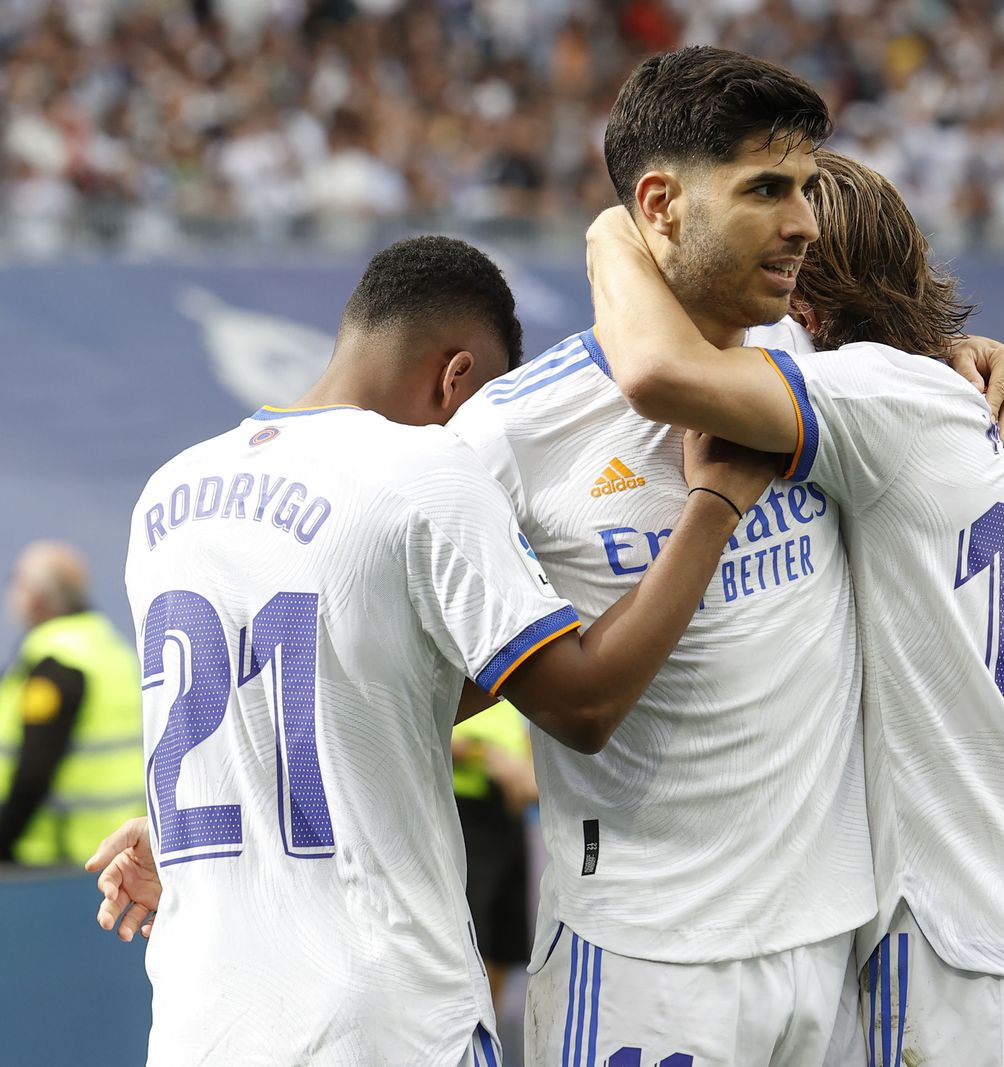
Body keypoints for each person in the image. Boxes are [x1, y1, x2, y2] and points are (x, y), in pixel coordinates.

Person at [448, 46, 1004, 1066]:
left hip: (833, 946)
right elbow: (411, 681)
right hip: (643, 960)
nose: (805, 220)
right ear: (661, 204)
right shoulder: (512, 433)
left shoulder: (829, 376)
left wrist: (965, 358)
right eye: (767, 190)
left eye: (806, 187)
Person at [101, 234, 778, 1067]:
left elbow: (334, 692)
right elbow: (583, 703)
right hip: (384, 1022)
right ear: (456, 376)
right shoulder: (424, 468)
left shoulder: (166, 492)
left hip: (199, 1024)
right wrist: (714, 503)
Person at [585, 149, 1004, 1063]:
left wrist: (616, 229)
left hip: (978, 957)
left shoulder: (871, 394)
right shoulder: (1001, 426)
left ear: (806, 311)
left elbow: (657, 371)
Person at [0, 541, 142, 865]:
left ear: (37, 597)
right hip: (120, 847)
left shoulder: (57, 663)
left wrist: (3, 840)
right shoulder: (111, 647)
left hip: (60, 856)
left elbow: (34, 771)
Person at [451, 698, 540, 1009]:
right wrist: (486, 755)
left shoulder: (508, 682)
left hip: (509, 815)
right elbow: (415, 729)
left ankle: (488, 1043)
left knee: (503, 944)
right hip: (463, 813)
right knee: (468, 942)